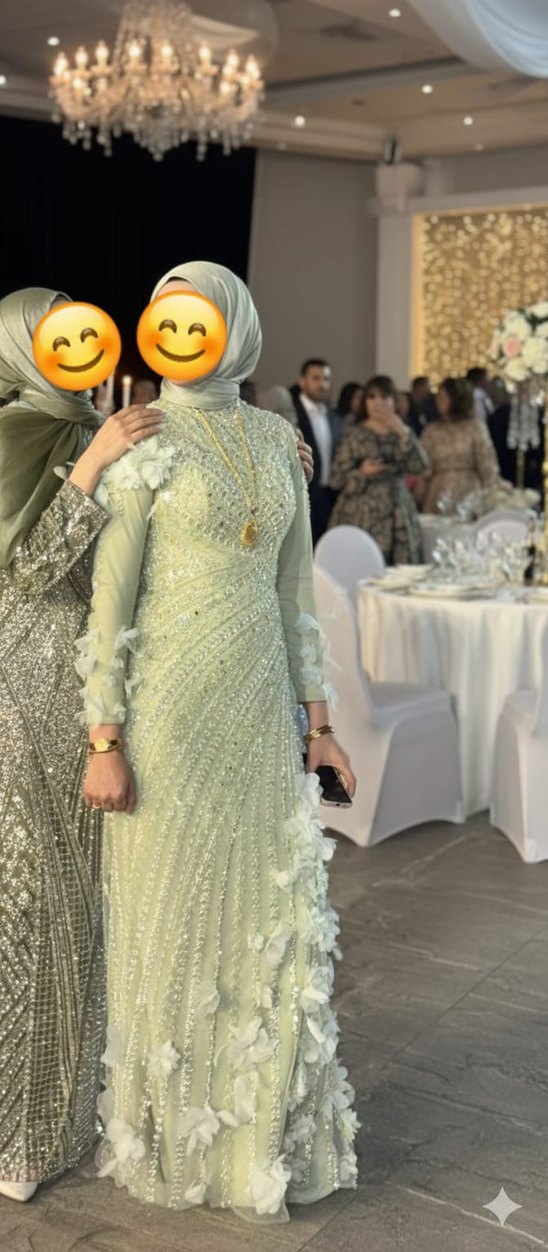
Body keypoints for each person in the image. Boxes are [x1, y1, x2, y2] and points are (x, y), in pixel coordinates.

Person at [80, 261, 358, 1221]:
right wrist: (103, 737)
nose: (179, 337)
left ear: (235, 327)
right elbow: (109, 603)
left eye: (196, 319)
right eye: (163, 320)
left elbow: (295, 593)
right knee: (173, 918)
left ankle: (254, 1144)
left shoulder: (277, 441)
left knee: (266, 921)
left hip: (258, 711)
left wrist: (321, 726)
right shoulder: (143, 440)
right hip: (166, 718)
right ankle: (174, 1134)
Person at [0, 288, 162, 1203]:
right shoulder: (14, 432)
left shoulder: (97, 422)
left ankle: (80, 1108)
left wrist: (278, 460)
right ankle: (20, 1136)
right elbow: (27, 572)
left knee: (90, 899)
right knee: (35, 901)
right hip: (22, 688)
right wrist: (93, 462)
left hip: (96, 684)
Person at [329, 374, 428, 563]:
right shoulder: (354, 434)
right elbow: (336, 479)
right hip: (363, 511)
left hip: (397, 509)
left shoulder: (401, 431)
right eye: (371, 397)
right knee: (364, 564)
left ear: (393, 401)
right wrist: (362, 473)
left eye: (384, 397)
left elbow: (421, 465)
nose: (377, 403)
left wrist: (402, 431)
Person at [414, 377, 499, 513]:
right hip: (438, 492)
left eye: (443, 398)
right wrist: (418, 496)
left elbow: (487, 465)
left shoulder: (475, 428)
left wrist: (491, 496)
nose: (438, 401)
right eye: (438, 398)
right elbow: (424, 468)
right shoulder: (431, 431)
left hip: (469, 492)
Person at [289, 359, 342, 544]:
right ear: (302, 381)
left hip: (328, 495)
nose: (322, 384)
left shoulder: (333, 417)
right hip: (302, 495)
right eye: (316, 378)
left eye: (326, 379)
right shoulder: (291, 413)